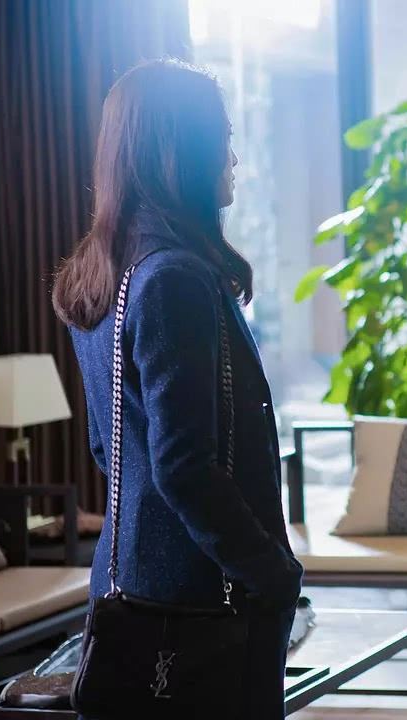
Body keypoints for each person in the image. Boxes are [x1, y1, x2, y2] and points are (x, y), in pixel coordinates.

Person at [53, 59, 302, 719]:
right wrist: (270, 570)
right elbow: (184, 467)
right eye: (222, 138)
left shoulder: (103, 272)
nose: (233, 158)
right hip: (203, 597)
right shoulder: (172, 280)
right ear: (181, 151)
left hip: (130, 584)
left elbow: (110, 449)